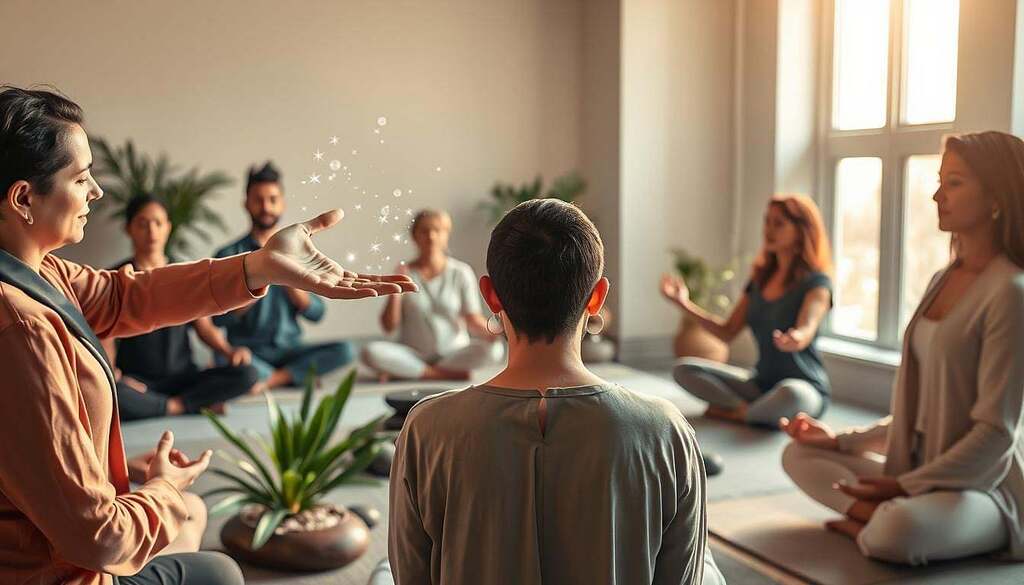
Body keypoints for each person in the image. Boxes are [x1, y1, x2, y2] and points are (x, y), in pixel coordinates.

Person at [0, 86, 415, 585]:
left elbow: (123, 297)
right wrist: (164, 489)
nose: (97, 193)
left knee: (193, 512)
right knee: (218, 569)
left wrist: (262, 266)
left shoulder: (36, 272)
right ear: (24, 198)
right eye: (83, 178)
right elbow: (99, 539)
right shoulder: (20, 329)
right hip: (54, 572)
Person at [384, 199, 724, 584]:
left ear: (491, 295)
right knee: (706, 564)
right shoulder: (667, 430)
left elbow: (410, 575)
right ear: (597, 298)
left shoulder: (426, 427)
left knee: (383, 569)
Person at [781, 131, 1024, 565]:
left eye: (954, 183)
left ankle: (872, 522)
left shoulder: (1010, 291)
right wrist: (840, 441)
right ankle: (870, 518)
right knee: (799, 454)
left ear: (996, 197)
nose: (936, 195)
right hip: (915, 471)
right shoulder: (941, 281)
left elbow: (996, 435)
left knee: (897, 531)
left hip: (983, 487)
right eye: (939, 180)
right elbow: (923, 412)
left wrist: (902, 488)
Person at [663, 194, 834, 427]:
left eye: (779, 223)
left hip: (804, 388)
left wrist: (797, 337)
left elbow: (808, 326)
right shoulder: (760, 280)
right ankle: (750, 411)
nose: (768, 230)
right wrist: (683, 304)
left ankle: (739, 412)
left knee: (790, 395)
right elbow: (727, 332)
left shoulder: (817, 284)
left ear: (801, 230)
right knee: (683, 369)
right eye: (767, 221)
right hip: (760, 384)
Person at [102, 195, 259, 420]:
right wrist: (114, 374)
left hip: (184, 378)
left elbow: (204, 328)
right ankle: (189, 405)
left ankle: (168, 406)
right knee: (109, 391)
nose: (151, 231)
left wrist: (229, 351)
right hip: (139, 382)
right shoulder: (115, 278)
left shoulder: (186, 272)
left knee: (248, 374)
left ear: (168, 228)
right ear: (129, 228)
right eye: (143, 224)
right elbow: (105, 335)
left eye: (158, 223)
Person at [213, 161, 355, 389]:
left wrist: (291, 279)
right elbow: (217, 319)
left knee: (345, 350)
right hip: (250, 352)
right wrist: (260, 277)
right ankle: (293, 377)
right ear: (246, 204)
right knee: (224, 358)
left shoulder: (300, 251)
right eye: (258, 200)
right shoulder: (228, 254)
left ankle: (272, 380)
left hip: (292, 349)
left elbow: (317, 314)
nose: (266, 207)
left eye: (272, 200)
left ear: (282, 204)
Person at [361, 209, 503, 381]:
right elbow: (389, 327)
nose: (431, 236)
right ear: (414, 236)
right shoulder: (404, 273)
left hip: (454, 353)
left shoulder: (461, 272)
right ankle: (441, 374)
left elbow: (472, 319)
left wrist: (498, 333)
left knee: (495, 350)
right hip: (414, 353)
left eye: (438, 230)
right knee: (369, 352)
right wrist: (395, 292)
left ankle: (410, 372)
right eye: (424, 230)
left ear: (446, 235)